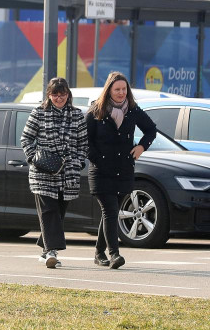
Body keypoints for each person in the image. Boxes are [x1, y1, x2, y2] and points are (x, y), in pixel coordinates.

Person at [86, 71, 157, 270]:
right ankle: (114, 254)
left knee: (111, 212)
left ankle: (99, 252)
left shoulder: (133, 110)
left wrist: (141, 147)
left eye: (124, 89)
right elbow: (85, 140)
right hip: (101, 171)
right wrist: (98, 159)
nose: (121, 93)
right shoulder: (96, 110)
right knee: (109, 210)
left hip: (124, 169)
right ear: (109, 90)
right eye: (117, 89)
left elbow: (151, 129)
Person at [21, 77, 87, 269]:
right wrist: (35, 158)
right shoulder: (38, 113)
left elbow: (83, 143)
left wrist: (78, 161)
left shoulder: (77, 115)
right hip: (43, 173)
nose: (59, 98)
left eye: (63, 94)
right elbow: (26, 139)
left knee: (58, 213)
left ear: (68, 94)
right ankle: (51, 252)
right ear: (49, 95)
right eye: (55, 94)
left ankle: (44, 250)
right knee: (49, 211)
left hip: (68, 174)